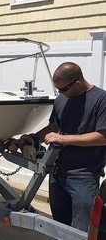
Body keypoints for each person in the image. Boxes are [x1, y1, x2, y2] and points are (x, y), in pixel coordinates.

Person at [9, 62, 106, 231]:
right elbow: (53, 128)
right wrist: (25, 140)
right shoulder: (62, 99)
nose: (60, 93)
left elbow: (102, 137)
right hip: (57, 173)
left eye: (63, 89)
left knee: (82, 230)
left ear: (77, 82)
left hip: (84, 176)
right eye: (58, 90)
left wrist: (63, 139)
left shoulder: (101, 99)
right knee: (60, 226)